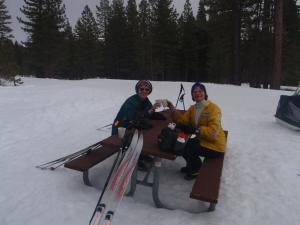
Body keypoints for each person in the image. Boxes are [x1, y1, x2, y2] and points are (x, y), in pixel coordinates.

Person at [167, 82, 226, 180]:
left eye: (200, 91)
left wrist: (196, 130)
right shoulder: (193, 108)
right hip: (204, 140)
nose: (198, 93)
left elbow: (213, 133)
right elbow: (183, 121)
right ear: (192, 95)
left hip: (215, 145)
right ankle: (192, 165)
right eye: (195, 92)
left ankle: (196, 169)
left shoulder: (213, 109)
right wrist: (172, 109)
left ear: (205, 93)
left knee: (188, 146)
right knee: (183, 144)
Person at [112, 80, 160, 170]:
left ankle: (141, 154)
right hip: (121, 128)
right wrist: (149, 111)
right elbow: (134, 117)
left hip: (133, 127)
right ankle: (133, 158)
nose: (144, 91)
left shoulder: (145, 100)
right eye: (141, 89)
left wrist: (153, 109)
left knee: (146, 133)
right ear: (137, 90)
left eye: (147, 89)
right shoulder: (131, 101)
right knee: (139, 135)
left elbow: (149, 112)